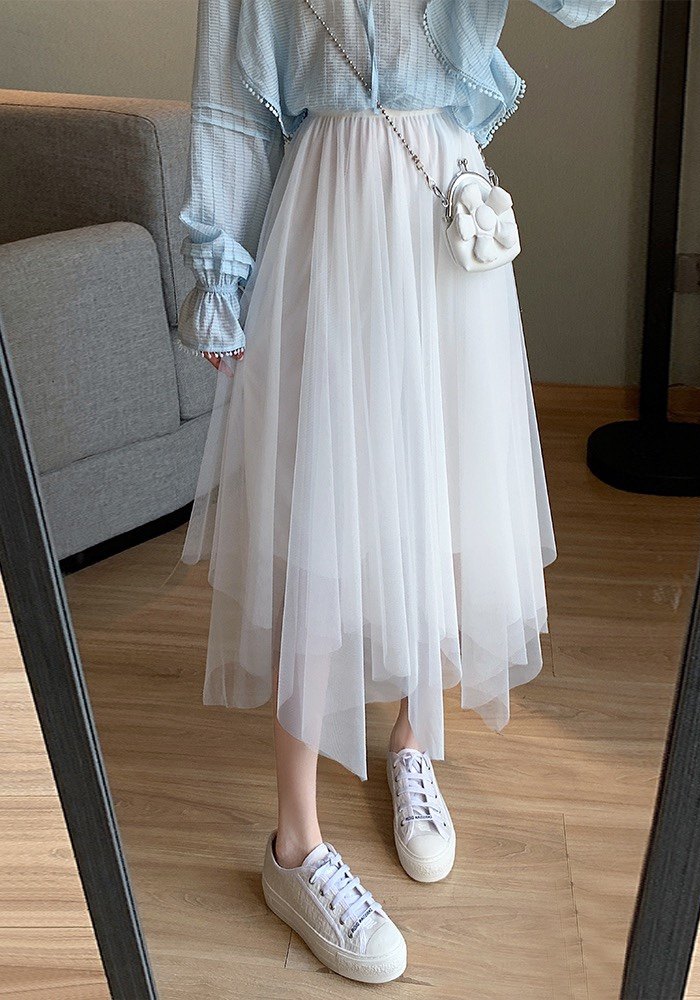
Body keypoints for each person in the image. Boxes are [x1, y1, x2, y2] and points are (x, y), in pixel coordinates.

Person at [177, 0, 614, 984]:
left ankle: (413, 739)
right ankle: (295, 842)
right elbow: (229, 95)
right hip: (326, 213)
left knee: (444, 488)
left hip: (444, 204)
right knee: (320, 525)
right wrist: (221, 272)